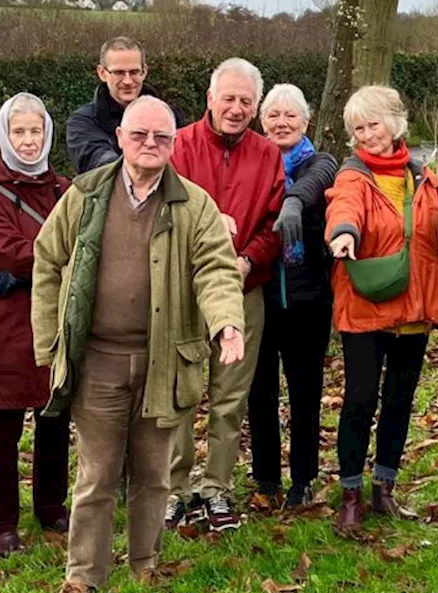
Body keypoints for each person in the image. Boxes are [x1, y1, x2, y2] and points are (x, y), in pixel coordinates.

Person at [32, 96, 246, 593]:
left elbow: (216, 268)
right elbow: (47, 262)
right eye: (140, 135)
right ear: (121, 138)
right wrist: (49, 345)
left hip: (165, 362)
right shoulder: (84, 195)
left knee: (154, 474)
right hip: (98, 360)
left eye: (162, 138)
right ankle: (84, 575)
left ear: (173, 144)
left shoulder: (195, 205)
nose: (150, 145)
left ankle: (145, 563)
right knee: (97, 472)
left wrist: (227, 324)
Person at [324, 85, 438, 536]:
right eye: (358, 128)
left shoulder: (425, 178)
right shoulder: (353, 177)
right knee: (359, 399)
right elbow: (344, 209)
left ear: (396, 123)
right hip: (366, 305)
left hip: (414, 308)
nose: (367, 135)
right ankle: (351, 494)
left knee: (399, 400)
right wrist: (343, 234)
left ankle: (385, 488)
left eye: (373, 124)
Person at [166, 57, 285, 532]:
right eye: (228, 98)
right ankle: (174, 489)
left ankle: (216, 486)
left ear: (255, 107)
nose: (235, 108)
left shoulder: (267, 154)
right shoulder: (180, 145)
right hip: (185, 287)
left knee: (230, 395)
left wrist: (247, 260)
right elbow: (162, 210)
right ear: (210, 99)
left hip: (242, 287)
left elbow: (274, 222)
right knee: (178, 394)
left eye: (245, 101)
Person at [0, 93, 72, 558]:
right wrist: (58, 256)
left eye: (35, 132)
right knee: (5, 424)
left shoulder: (62, 188)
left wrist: (48, 258)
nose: (29, 142)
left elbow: (85, 241)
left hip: (53, 319)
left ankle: (51, 506)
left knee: (54, 418)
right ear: (4, 137)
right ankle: (2, 524)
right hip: (8, 325)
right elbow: (11, 251)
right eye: (19, 133)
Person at [245, 83, 337, 511]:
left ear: (306, 122)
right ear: (262, 121)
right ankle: (266, 478)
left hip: (308, 298)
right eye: (274, 115)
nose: (282, 122)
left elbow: (318, 180)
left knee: (305, 391)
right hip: (260, 294)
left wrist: (294, 202)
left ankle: (303, 478)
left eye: (290, 116)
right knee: (259, 391)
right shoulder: (253, 164)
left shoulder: (319, 162)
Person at [66, 36, 184, 174]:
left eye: (134, 72)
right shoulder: (83, 122)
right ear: (102, 73)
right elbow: (98, 164)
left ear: (144, 71)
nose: (128, 81)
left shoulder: (170, 117)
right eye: (119, 73)